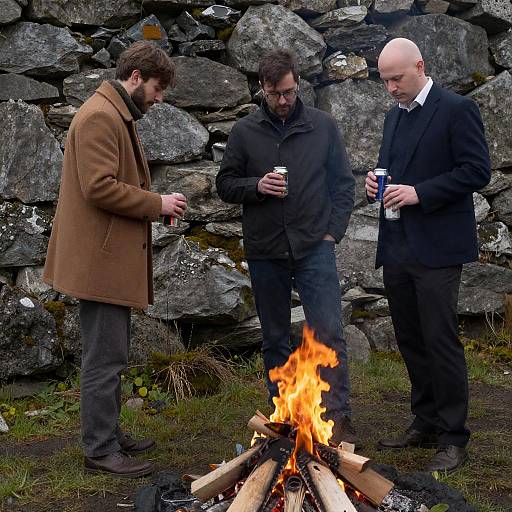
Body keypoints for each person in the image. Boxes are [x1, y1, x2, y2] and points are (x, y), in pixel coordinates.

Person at [43, 41, 188, 477]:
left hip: (104, 258)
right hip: (98, 262)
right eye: (159, 88)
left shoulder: (114, 112)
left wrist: (153, 205)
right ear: (137, 77)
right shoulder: (102, 116)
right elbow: (99, 187)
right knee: (104, 357)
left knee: (112, 353)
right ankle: (100, 449)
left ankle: (108, 434)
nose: (161, 99)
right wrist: (156, 202)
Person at [216, 49, 357, 445]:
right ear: (262, 88)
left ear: (298, 84)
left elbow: (343, 186)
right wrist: (256, 186)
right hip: (266, 251)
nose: (283, 100)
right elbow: (224, 184)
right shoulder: (245, 131)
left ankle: (337, 418)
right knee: (275, 337)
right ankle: (282, 419)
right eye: (276, 93)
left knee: (327, 332)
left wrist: (333, 233)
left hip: (315, 246)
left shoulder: (323, 126)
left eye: (290, 92)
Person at [365, 38, 491, 472]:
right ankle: (426, 420)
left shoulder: (457, 109)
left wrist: (420, 192)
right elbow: (394, 171)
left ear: (420, 65)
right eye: (385, 81)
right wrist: (375, 184)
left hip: (439, 248)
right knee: (410, 339)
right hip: (397, 246)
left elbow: (477, 170)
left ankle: (455, 436)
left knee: (440, 340)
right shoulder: (393, 117)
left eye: (396, 79)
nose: (391, 89)